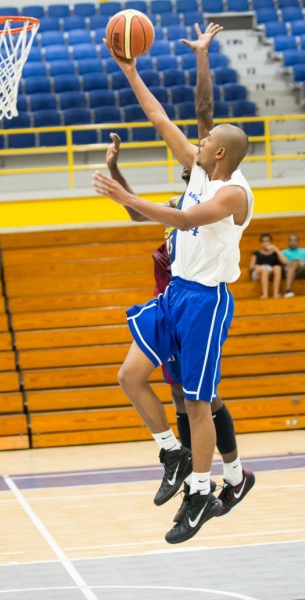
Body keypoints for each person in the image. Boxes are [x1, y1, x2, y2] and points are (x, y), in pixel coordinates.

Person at [93, 23, 255, 544]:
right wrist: (130, 71)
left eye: (205, 141)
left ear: (219, 155)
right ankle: (170, 448)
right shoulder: (205, 169)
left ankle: (206, 490)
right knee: (129, 376)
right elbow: (162, 116)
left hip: (205, 301)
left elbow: (184, 221)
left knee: (199, 403)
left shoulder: (233, 195)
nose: (197, 140)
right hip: (175, 293)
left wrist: (123, 197)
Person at [249, 233, 287, 299]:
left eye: (267, 241)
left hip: (271, 272)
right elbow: (251, 267)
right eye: (263, 241)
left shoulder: (275, 253)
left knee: (277, 268)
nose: (265, 243)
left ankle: (276, 293)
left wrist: (276, 249)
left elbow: (285, 262)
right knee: (265, 270)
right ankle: (265, 294)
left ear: (271, 242)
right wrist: (256, 267)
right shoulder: (257, 253)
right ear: (261, 243)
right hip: (259, 272)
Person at [282, 232, 305, 297]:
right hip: (290, 270)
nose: (293, 242)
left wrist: (300, 261)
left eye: (295, 240)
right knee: (294, 262)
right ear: (288, 242)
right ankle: (288, 290)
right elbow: (283, 263)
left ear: (298, 242)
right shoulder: (283, 252)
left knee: (296, 262)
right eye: (291, 240)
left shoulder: (303, 251)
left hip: (303, 268)